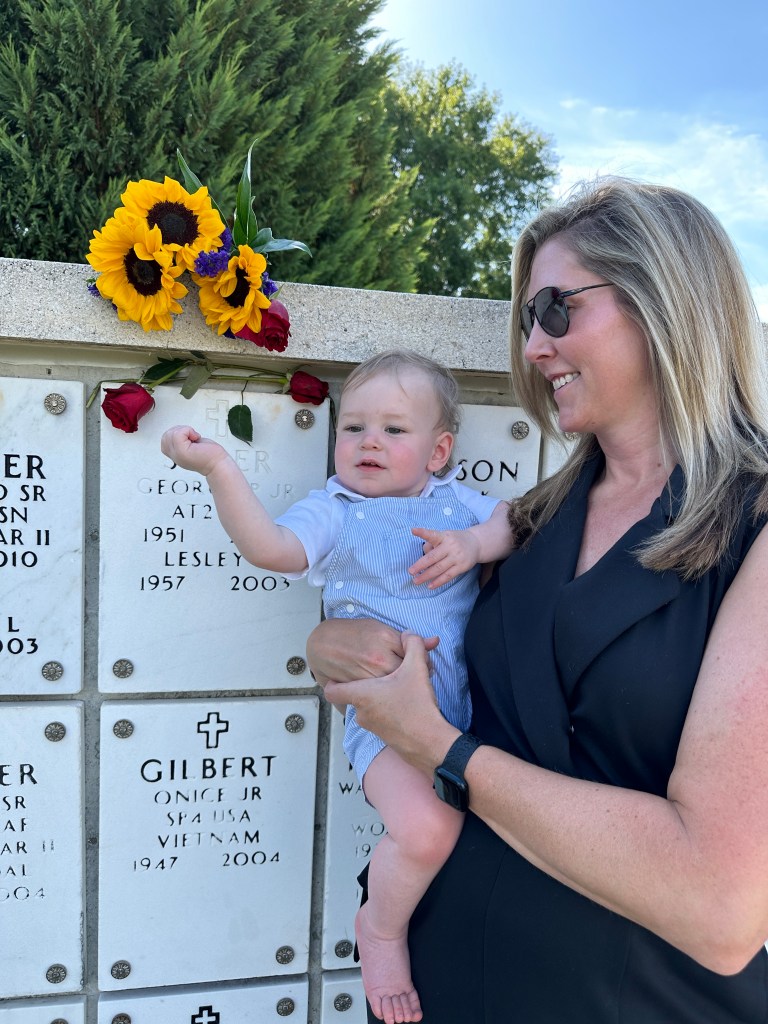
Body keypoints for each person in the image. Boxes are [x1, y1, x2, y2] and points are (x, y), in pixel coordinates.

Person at [308, 177, 768, 1024]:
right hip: (438, 989)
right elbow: (395, 628)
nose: (533, 348)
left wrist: (440, 747)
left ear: (664, 300)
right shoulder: (531, 516)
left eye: (557, 310)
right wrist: (336, 648)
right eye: (528, 319)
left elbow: (721, 908)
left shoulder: (757, 529)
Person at [160, 350, 512, 1024]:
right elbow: (272, 549)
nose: (368, 442)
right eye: (353, 428)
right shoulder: (336, 510)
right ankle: (380, 930)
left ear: (439, 451)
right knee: (426, 830)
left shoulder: (456, 505)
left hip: (464, 712)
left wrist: (472, 545)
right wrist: (218, 469)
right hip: (383, 718)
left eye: (393, 430)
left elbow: (516, 521)